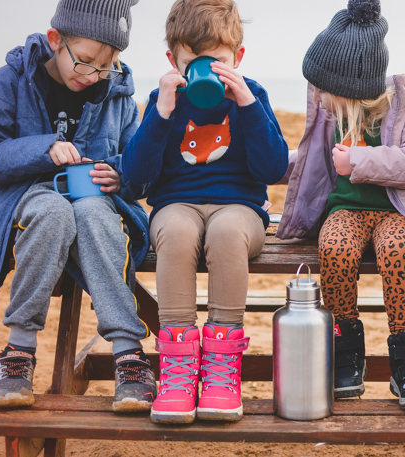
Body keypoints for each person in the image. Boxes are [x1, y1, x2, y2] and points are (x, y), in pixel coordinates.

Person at [0, 0, 157, 412]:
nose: (94, 76)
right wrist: (42, 150)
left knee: (89, 212)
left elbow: (139, 166)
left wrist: (121, 174)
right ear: (55, 40)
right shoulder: (14, 79)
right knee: (53, 212)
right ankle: (19, 352)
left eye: (105, 66)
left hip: (95, 204)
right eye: (84, 63)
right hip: (25, 201)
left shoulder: (117, 90)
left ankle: (127, 353)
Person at [277, 0, 405, 410]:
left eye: (323, 88)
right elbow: (309, 162)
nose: (317, 95)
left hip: (401, 213)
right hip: (347, 211)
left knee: (398, 251)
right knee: (335, 247)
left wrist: (358, 160)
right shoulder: (334, 118)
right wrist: (264, 166)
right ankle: (344, 352)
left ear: (350, 88)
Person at [121, 0, 288, 424]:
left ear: (239, 58)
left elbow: (272, 167)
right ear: (173, 61)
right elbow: (136, 176)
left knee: (227, 231)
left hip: (242, 209)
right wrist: (160, 113)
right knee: (176, 230)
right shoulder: (163, 102)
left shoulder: (252, 96)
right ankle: (177, 372)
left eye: (220, 62)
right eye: (193, 62)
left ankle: (219, 369)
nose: (207, 72)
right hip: (176, 206)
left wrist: (248, 104)